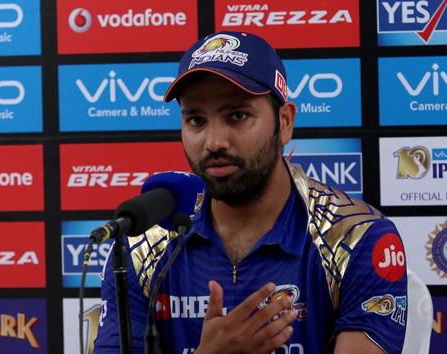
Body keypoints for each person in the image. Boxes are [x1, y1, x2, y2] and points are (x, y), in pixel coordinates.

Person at [94, 31, 407, 354]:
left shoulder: (356, 236)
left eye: (238, 116)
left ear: (284, 122)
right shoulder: (141, 245)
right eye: (196, 120)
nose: (214, 141)